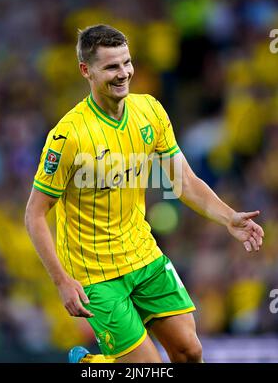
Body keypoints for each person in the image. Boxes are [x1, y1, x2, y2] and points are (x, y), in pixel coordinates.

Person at [25, 24, 264, 363]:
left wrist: (229, 217)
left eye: (126, 63)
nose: (123, 73)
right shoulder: (68, 137)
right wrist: (62, 281)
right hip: (96, 276)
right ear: (86, 71)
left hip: (144, 257)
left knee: (190, 353)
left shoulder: (149, 110)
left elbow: (183, 181)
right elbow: (34, 214)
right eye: (111, 66)